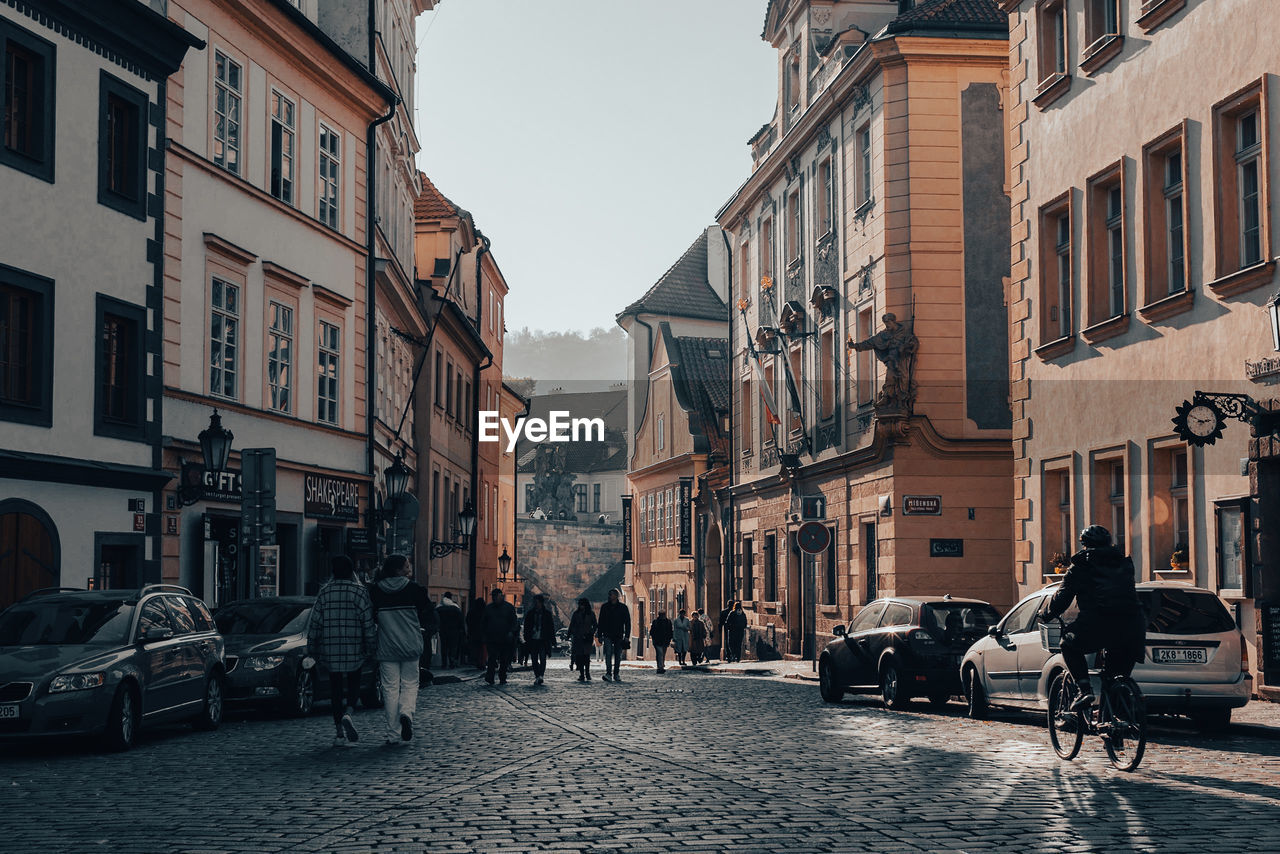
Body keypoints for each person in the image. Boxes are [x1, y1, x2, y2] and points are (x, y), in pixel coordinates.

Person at [1040, 525, 1146, 712]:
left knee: (1068, 644)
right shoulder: (1125, 563)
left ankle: (1084, 690)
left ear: (1085, 545)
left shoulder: (1081, 566)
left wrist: (1047, 613)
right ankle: (1115, 727)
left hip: (1099, 623)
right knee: (1115, 677)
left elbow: (1062, 598)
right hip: (1133, 627)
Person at [306, 555, 375, 747]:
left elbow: (315, 623)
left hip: (330, 647)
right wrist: (371, 646)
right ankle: (349, 712)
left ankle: (338, 733)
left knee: (335, 689)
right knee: (354, 683)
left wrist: (312, 647)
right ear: (352, 571)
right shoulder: (360, 592)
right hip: (354, 646)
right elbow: (367, 622)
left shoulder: (325, 592)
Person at [368, 554, 433, 745]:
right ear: (398, 570)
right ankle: (406, 713)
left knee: (389, 689)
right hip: (411, 645)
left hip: (387, 647)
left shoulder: (376, 591)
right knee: (411, 683)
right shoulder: (415, 590)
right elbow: (428, 612)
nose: (409, 567)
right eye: (406, 566)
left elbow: (371, 617)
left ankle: (393, 735)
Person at [481, 587, 519, 685]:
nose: (494, 598)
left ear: (500, 596)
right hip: (492, 638)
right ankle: (490, 677)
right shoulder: (488, 608)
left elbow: (514, 622)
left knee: (504, 659)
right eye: (493, 597)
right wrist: (484, 635)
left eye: (495, 596)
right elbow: (484, 623)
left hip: (505, 638)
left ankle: (502, 677)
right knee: (492, 658)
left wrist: (511, 632)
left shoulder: (509, 607)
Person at [597, 588, 631, 682]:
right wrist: (599, 635)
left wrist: (627, 636)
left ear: (616, 596)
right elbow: (601, 622)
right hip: (607, 634)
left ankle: (616, 673)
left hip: (618, 634)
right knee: (608, 654)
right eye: (609, 595)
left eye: (611, 595)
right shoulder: (604, 607)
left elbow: (627, 622)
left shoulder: (623, 608)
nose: (609, 596)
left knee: (617, 655)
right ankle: (608, 673)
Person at [522, 594, 556, 686]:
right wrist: (526, 636)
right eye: (535, 602)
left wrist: (553, 640)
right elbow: (526, 626)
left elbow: (551, 628)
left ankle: (541, 675)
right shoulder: (530, 613)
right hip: (533, 639)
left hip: (543, 639)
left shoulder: (547, 614)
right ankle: (537, 675)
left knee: (542, 658)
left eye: (537, 602)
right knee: (534, 659)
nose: (535, 604)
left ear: (541, 603)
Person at [569, 598, 598, 682]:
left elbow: (595, 625)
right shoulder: (576, 614)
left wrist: (591, 632)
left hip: (587, 638)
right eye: (580, 604)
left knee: (586, 656)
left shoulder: (591, 614)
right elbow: (572, 625)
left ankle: (587, 673)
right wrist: (571, 633)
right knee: (580, 657)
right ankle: (582, 674)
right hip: (578, 638)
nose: (581, 606)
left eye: (582, 604)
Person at [436, 592, 463, 669]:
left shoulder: (439, 608)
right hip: (454, 631)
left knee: (444, 647)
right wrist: (461, 629)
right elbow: (461, 620)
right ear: (451, 598)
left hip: (443, 630)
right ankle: (452, 662)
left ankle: (444, 663)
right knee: (453, 647)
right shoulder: (455, 608)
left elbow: (436, 619)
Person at [466, 596, 486, 669]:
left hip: (473, 633)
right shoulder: (485, 611)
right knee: (482, 648)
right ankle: (482, 662)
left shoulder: (471, 611)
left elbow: (468, 621)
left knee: (475, 648)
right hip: (483, 633)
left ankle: (476, 661)